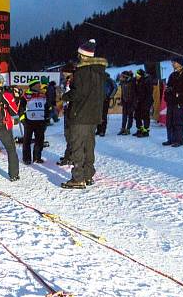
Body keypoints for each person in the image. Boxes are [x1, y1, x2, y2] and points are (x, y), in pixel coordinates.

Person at [61, 39, 107, 189]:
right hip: (93, 115)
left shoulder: (81, 72)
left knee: (77, 146)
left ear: (82, 55)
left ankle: (78, 178)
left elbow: (78, 93)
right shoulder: (100, 72)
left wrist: (65, 96)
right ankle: (88, 175)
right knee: (89, 146)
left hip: (80, 114)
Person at [19, 79, 51, 164]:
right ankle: (26, 158)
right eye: (37, 85)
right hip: (29, 121)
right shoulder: (26, 96)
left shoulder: (43, 95)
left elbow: (47, 107)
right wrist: (23, 120)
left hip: (40, 121)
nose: (39, 86)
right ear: (33, 86)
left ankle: (37, 157)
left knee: (39, 140)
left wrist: (47, 118)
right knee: (27, 141)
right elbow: (21, 109)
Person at [163, 57, 183, 147]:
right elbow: (168, 87)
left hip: (180, 102)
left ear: (179, 63)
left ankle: (179, 140)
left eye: (174, 62)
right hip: (171, 101)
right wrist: (168, 93)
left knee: (178, 121)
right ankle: (170, 139)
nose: (172, 64)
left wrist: (176, 91)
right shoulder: (173, 75)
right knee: (169, 121)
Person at [133, 69, 154, 137]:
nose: (136, 76)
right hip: (139, 101)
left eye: (137, 75)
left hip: (146, 101)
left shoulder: (147, 81)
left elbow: (149, 93)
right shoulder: (137, 81)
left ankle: (145, 131)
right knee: (137, 116)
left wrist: (147, 102)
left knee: (145, 116)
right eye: (136, 75)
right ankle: (139, 129)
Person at [117, 70, 136, 135]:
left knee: (130, 116)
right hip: (125, 101)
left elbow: (134, 93)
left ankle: (128, 129)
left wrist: (134, 103)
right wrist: (122, 100)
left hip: (130, 102)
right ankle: (123, 128)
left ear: (125, 77)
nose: (121, 77)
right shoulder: (122, 82)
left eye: (122, 76)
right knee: (124, 115)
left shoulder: (132, 82)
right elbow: (122, 92)